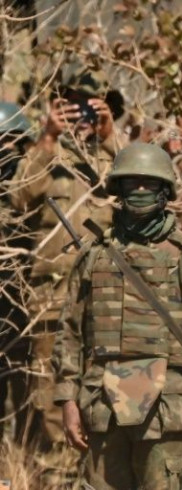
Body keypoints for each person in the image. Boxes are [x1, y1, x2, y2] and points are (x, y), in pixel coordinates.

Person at [52, 142, 182, 489]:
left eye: (149, 183)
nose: (140, 190)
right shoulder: (94, 256)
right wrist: (67, 399)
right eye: (131, 183)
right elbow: (69, 332)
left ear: (165, 191)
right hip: (103, 406)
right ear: (118, 189)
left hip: (167, 409)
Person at [8, 68, 124, 483]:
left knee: (108, 395)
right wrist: (47, 137)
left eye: (91, 107)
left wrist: (111, 137)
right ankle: (57, 478)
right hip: (51, 301)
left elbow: (143, 197)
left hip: (108, 305)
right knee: (53, 399)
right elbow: (18, 196)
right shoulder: (46, 155)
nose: (82, 115)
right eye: (73, 105)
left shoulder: (117, 158)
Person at [0, 101, 35, 443]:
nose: (6, 151)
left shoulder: (31, 191)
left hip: (24, 301)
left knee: (28, 388)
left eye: (12, 141)